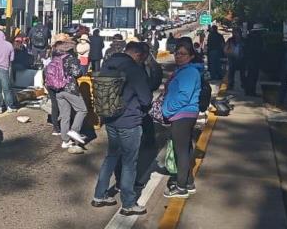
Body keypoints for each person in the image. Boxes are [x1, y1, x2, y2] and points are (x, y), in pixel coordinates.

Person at [92, 41, 152, 215]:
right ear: (138, 55)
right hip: (129, 121)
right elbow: (146, 98)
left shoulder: (108, 63)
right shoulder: (134, 69)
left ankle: (99, 195)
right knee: (128, 163)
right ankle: (128, 203)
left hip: (110, 118)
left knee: (111, 157)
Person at [162, 41, 203, 198]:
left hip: (183, 114)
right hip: (182, 114)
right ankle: (189, 182)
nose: (178, 56)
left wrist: (167, 109)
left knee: (181, 153)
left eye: (183, 54)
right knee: (185, 149)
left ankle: (181, 187)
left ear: (191, 56)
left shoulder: (189, 72)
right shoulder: (182, 70)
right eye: (177, 53)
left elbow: (184, 97)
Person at [49, 38, 88, 150]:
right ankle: (74, 131)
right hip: (70, 89)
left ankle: (65, 141)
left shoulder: (55, 58)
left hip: (57, 90)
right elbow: (77, 73)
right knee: (82, 110)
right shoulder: (70, 58)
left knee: (65, 116)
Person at [244, 24, 265, 97]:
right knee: (253, 76)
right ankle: (251, 91)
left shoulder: (249, 37)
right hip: (254, 60)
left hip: (249, 60)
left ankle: (248, 91)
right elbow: (259, 50)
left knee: (250, 76)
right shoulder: (258, 39)